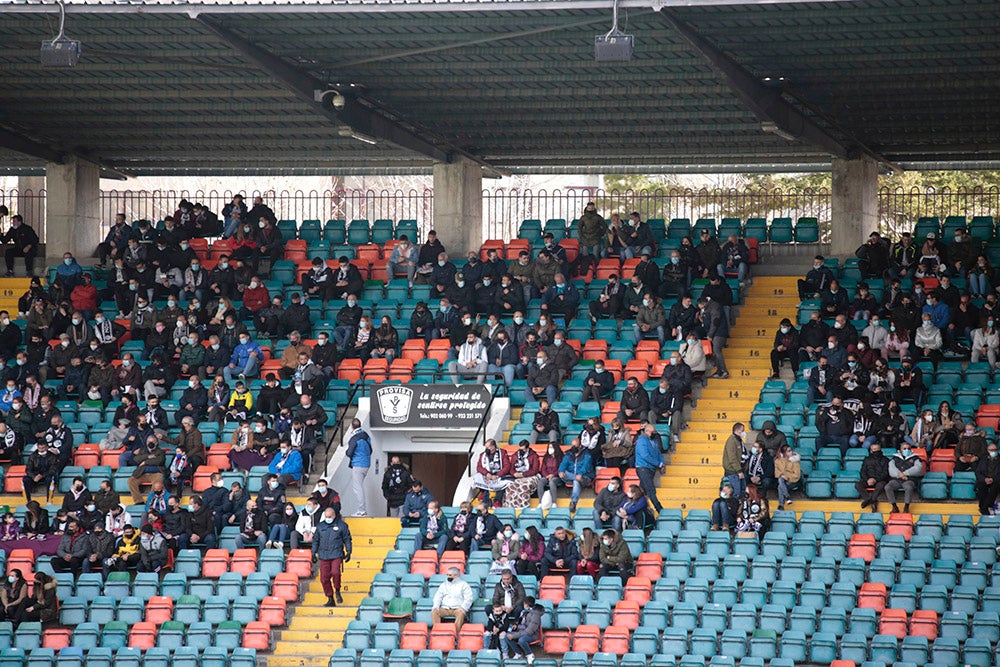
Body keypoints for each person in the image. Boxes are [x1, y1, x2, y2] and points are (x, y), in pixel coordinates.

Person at [884, 444, 924, 513]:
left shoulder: (915, 458)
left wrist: (905, 473)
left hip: (909, 479)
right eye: (904, 448)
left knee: (909, 487)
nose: (906, 450)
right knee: (888, 487)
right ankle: (894, 506)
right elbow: (891, 469)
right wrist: (900, 475)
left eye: (908, 448)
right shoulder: (895, 458)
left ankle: (906, 507)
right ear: (900, 450)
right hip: (897, 479)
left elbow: (918, 469)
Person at [343, 419, 371, 517]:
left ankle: (361, 510)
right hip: (367, 464)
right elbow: (370, 450)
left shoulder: (354, 438)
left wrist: (347, 452)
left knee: (357, 488)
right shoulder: (366, 435)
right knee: (360, 487)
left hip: (358, 464)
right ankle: (362, 509)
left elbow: (349, 453)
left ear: (352, 426)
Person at [502, 598, 544, 663]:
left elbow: (529, 631)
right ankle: (518, 653)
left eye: (524, 604)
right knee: (507, 635)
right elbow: (524, 625)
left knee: (522, 640)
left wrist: (514, 635)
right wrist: (517, 626)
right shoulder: (525, 612)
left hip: (533, 635)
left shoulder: (535, 616)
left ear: (526, 604)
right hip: (523, 632)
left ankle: (529, 654)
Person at [634, 423, 665, 513]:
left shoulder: (653, 441)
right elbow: (645, 456)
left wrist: (662, 462)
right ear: (647, 431)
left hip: (650, 469)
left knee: (641, 491)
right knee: (650, 490)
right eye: (653, 432)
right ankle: (659, 509)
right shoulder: (642, 441)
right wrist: (658, 464)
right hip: (643, 468)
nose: (655, 433)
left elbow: (658, 452)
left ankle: (638, 508)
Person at [558, 441, 593, 514]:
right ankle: (575, 478)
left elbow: (585, 466)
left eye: (575, 446)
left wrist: (580, 474)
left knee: (576, 482)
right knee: (565, 473)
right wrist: (561, 471)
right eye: (572, 445)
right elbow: (563, 464)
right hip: (570, 477)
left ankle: (573, 502)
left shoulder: (586, 454)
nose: (573, 447)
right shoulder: (569, 453)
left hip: (584, 477)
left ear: (580, 446)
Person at [472, 439, 511, 505]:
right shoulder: (482, 455)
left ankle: (497, 501)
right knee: (478, 476)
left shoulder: (502, 453)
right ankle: (485, 497)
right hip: (488, 475)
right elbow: (479, 467)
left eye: (487, 447)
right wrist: (487, 473)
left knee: (504, 482)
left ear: (493, 447)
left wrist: (498, 475)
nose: (486, 449)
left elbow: (507, 466)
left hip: (500, 475)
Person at [504, 441, 540, 510]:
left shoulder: (534, 455)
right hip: (517, 475)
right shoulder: (515, 455)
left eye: (523, 449)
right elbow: (511, 468)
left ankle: (523, 506)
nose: (521, 451)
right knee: (510, 486)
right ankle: (511, 506)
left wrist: (523, 474)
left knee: (524, 486)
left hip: (530, 475)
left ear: (527, 448)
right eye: (520, 449)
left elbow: (535, 470)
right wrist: (514, 473)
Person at [722, 423, 748, 498]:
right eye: (742, 430)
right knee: (735, 493)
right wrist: (739, 471)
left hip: (739, 471)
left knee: (742, 492)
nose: (744, 432)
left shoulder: (739, 440)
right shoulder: (731, 441)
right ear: (738, 431)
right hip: (733, 472)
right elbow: (732, 458)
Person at [773, 444, 801, 510]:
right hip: (783, 481)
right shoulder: (778, 461)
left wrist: (787, 476)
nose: (790, 452)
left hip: (793, 481)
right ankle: (787, 497)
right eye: (788, 451)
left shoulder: (795, 461)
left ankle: (781, 504)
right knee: (780, 481)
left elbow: (797, 475)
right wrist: (782, 475)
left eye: (790, 450)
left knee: (780, 485)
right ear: (784, 453)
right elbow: (776, 472)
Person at [975, 443, 1000, 515]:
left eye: (995, 450)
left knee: (995, 487)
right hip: (985, 479)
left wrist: (993, 479)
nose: (993, 451)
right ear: (987, 450)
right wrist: (984, 479)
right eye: (991, 450)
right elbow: (978, 472)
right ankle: (984, 507)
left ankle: (984, 508)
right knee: (981, 485)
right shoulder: (983, 459)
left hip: (996, 480)